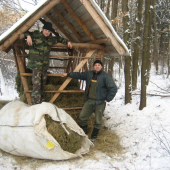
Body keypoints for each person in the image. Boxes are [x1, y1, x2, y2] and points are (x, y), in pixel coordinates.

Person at [62, 60, 117, 141]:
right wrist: (68, 74)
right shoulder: (89, 74)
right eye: (95, 65)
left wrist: (108, 99)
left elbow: (113, 88)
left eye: (99, 65)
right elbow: (79, 75)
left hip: (100, 102)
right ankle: (84, 134)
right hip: (90, 100)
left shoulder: (105, 76)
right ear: (94, 67)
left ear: (101, 67)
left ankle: (93, 137)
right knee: (82, 117)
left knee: (98, 121)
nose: (97, 66)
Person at [24, 22, 72, 105]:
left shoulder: (51, 39)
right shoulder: (35, 35)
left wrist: (68, 41)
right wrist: (27, 36)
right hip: (36, 65)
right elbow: (23, 31)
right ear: (42, 29)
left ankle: (41, 102)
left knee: (42, 84)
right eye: (45, 30)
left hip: (44, 66)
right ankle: (35, 103)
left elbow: (59, 39)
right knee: (36, 85)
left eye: (49, 31)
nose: (47, 32)